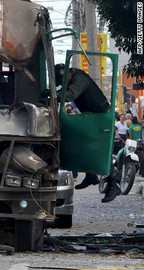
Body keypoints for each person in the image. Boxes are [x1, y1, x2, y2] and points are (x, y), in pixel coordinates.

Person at [55, 64, 119, 203]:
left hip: (101, 117)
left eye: (63, 80)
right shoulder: (73, 78)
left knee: (101, 152)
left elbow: (70, 95)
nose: (63, 84)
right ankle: (91, 176)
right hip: (91, 116)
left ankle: (114, 184)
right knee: (83, 146)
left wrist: (52, 94)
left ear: (68, 74)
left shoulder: (80, 79)